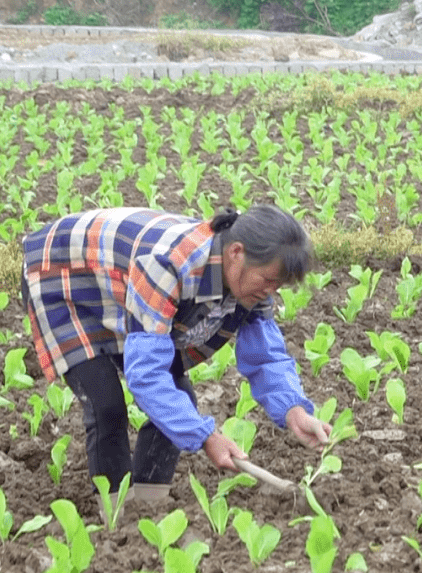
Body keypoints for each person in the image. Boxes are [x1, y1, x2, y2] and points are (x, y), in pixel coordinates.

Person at [21, 205, 332, 504]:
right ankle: (115, 520)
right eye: (268, 281)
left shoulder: (251, 285)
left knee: (179, 398)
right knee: (106, 405)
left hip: (119, 279)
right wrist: (207, 437)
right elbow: (147, 377)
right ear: (237, 252)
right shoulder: (169, 265)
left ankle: (149, 506)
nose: (271, 292)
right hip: (63, 273)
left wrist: (294, 411)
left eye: (278, 286)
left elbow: (266, 357)